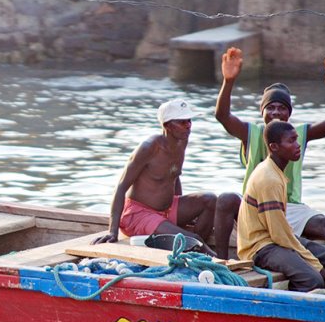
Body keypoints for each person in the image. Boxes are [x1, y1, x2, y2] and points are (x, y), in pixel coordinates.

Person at [216, 47, 325, 268]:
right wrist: (228, 81)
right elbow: (222, 116)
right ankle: (221, 259)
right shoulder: (251, 133)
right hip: (253, 208)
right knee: (226, 198)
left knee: (324, 223)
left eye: (281, 108)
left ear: (289, 114)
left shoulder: (297, 134)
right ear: (262, 112)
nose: (275, 112)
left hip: (288, 208)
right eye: (270, 107)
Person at [237, 120, 325, 292]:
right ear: (274, 147)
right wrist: (314, 264)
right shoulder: (269, 178)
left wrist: (311, 259)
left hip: (277, 239)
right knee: (312, 280)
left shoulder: (276, 172)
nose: (297, 145)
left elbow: (283, 234)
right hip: (260, 247)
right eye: (291, 141)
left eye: (297, 139)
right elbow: (279, 235)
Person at [94, 98, 233, 257]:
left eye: (189, 120)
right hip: (139, 215)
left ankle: (194, 248)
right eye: (182, 122)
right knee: (193, 239)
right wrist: (113, 231)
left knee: (210, 199)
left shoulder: (182, 140)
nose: (188, 125)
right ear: (167, 125)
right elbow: (121, 186)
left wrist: (183, 211)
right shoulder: (148, 148)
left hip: (167, 209)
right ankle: (203, 251)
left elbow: (175, 174)